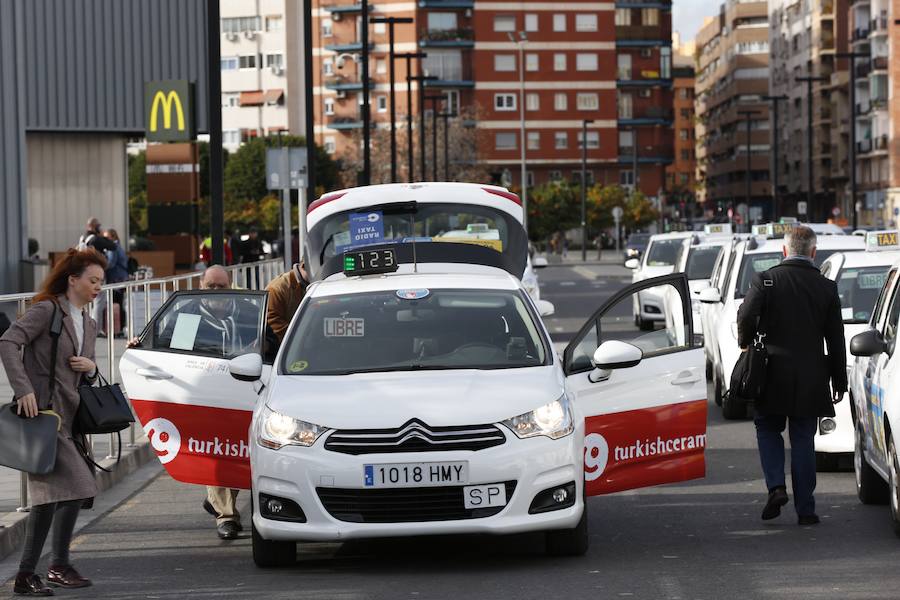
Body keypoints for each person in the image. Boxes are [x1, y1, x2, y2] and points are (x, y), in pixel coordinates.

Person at [0, 248, 106, 594]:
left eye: (101, 282)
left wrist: (91, 368)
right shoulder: (47, 310)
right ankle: (57, 565)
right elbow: (9, 340)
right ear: (72, 279)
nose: (98, 287)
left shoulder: (89, 323)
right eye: (93, 280)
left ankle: (30, 574)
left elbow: (84, 372)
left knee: (53, 497)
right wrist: (23, 389)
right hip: (44, 418)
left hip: (73, 420)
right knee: (77, 487)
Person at [736, 225, 846, 526]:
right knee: (803, 440)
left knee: (768, 428)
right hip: (811, 376)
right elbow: (836, 339)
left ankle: (776, 486)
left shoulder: (766, 279)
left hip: (770, 373)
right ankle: (806, 509)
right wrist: (839, 380)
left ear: (784, 251)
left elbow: (745, 315)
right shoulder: (826, 287)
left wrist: (744, 342)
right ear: (814, 252)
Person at [92, 229, 129, 338]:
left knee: (115, 303)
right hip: (121, 277)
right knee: (119, 303)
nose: (106, 240)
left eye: (107, 237)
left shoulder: (113, 248)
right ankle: (119, 328)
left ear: (112, 236)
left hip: (116, 278)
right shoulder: (119, 246)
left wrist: (99, 268)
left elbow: (111, 263)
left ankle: (117, 329)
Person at [266, 262, 311, 342]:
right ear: (304, 266)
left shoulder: (309, 284)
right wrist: (301, 338)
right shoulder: (277, 288)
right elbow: (274, 322)